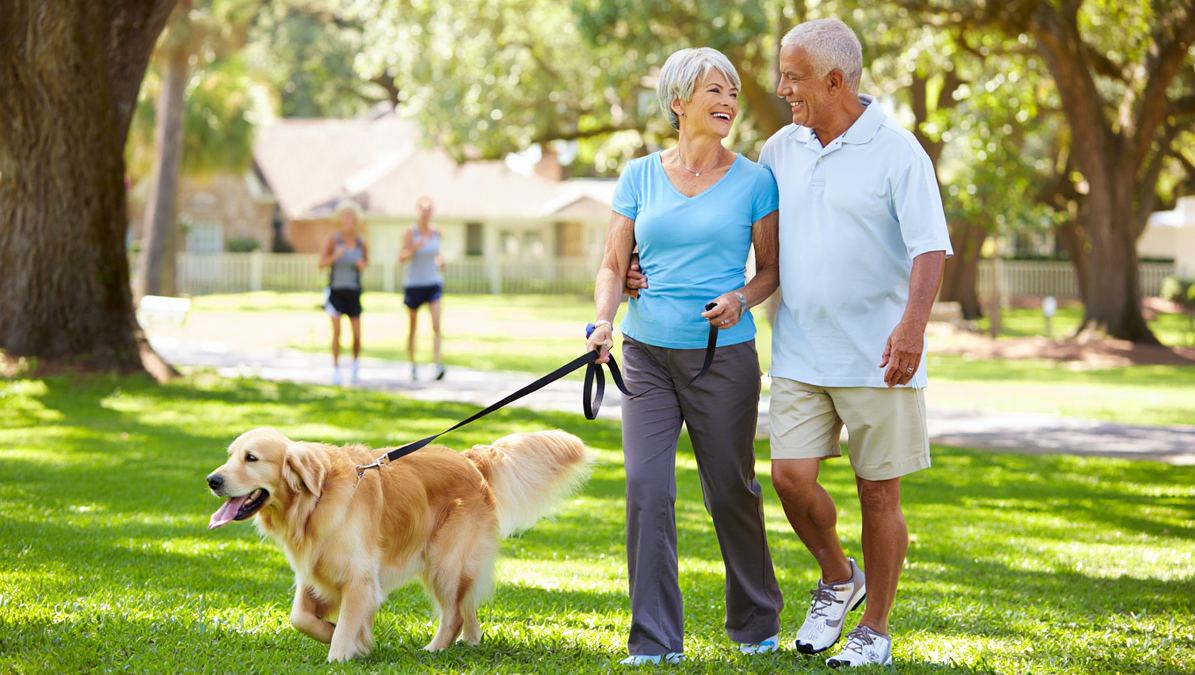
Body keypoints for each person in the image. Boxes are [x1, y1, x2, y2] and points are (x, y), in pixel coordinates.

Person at [760, 18, 953, 667]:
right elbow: (750, 234)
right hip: (799, 349)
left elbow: (930, 247)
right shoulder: (778, 150)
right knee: (789, 478)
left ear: (835, 80)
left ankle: (874, 628)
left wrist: (911, 328)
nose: (782, 88)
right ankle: (839, 576)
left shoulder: (898, 152)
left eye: (793, 76)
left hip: (879, 354)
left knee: (878, 493)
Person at [585, 47, 784, 666]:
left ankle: (755, 620)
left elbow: (772, 269)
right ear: (679, 101)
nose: (728, 102)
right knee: (646, 489)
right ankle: (654, 640)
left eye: (732, 93)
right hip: (645, 355)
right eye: (714, 91)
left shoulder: (755, 180)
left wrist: (741, 297)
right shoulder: (639, 175)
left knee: (730, 490)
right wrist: (603, 321)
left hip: (722, 357)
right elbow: (613, 264)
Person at [318, 200, 369, 386]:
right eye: (345, 216)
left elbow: (366, 263)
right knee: (337, 332)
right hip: (336, 291)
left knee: (356, 334)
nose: (348, 220)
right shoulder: (333, 239)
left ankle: (355, 366)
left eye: (351, 216)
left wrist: (362, 265)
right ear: (340, 219)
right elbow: (321, 264)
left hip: (353, 290)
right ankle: (336, 370)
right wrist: (335, 255)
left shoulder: (361, 241)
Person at [399, 196, 446, 381]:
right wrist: (413, 248)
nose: (426, 213)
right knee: (413, 327)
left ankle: (437, 364)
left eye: (429, 210)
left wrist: (440, 261)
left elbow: (437, 253)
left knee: (436, 325)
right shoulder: (411, 232)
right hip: (414, 284)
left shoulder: (437, 232)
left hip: (433, 283)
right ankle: (412, 364)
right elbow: (401, 258)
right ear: (418, 211)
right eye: (423, 209)